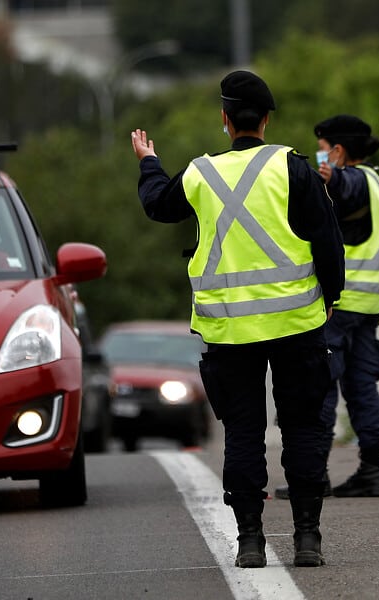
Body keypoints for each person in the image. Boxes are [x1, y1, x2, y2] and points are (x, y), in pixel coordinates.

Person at [129, 70, 345, 568]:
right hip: (298, 324)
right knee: (303, 428)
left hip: (228, 331)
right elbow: (327, 240)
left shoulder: (201, 173)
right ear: (266, 119)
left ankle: (250, 540)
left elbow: (159, 206)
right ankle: (307, 538)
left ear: (224, 120)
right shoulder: (294, 168)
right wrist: (330, 297)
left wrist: (149, 162)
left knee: (244, 433)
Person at [275, 115, 379, 500]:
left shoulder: (355, 179)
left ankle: (315, 475)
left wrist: (328, 175)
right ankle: (372, 470)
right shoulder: (377, 182)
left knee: (321, 383)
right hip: (371, 302)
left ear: (337, 150)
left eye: (323, 145)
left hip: (343, 301)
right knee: (361, 385)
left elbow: (343, 186)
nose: (319, 152)